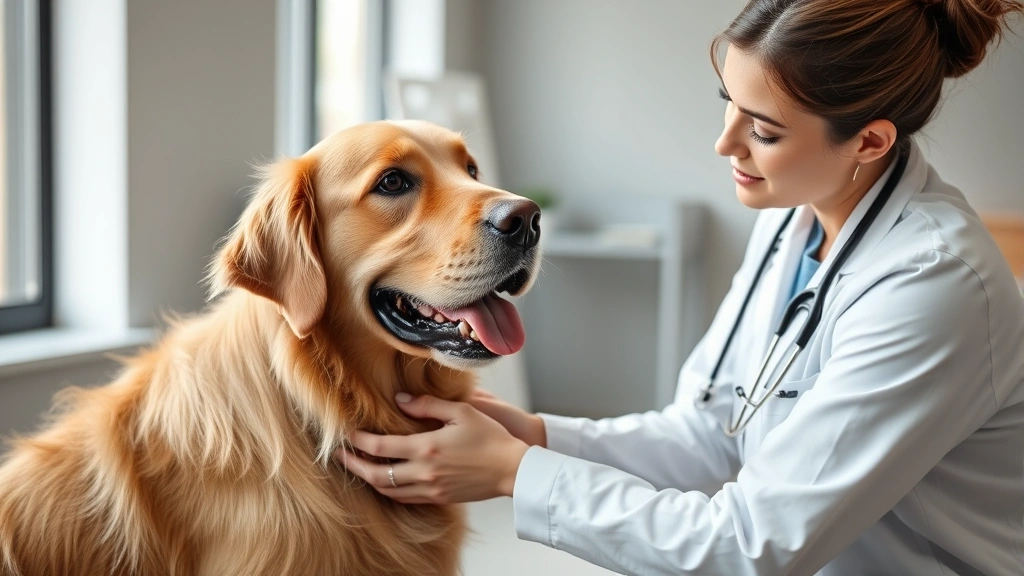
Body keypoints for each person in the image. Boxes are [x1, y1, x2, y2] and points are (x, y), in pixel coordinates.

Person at [338, 0, 1024, 573]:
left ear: (869, 143)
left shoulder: (934, 284)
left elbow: (750, 546)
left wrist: (515, 473)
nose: (726, 145)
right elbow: (715, 433)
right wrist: (540, 436)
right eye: (728, 103)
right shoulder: (796, 222)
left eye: (763, 130)